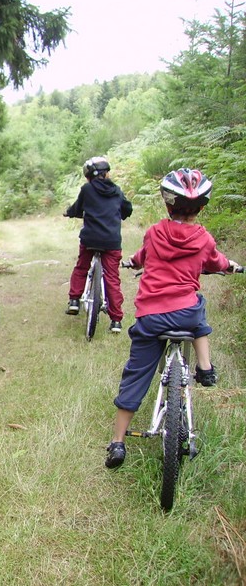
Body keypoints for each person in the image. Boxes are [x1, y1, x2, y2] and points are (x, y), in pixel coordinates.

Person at [105, 169, 240, 469]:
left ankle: (117, 442)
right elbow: (216, 262)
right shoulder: (203, 238)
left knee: (135, 375)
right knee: (198, 306)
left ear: (168, 205)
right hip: (186, 315)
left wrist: (134, 262)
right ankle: (205, 368)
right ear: (202, 207)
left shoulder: (154, 232)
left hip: (151, 317)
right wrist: (229, 266)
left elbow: (143, 255)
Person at [65, 156, 133, 333]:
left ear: (87, 176)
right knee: (112, 278)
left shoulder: (87, 189)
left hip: (90, 239)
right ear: (107, 174)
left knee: (82, 267)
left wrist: (69, 213)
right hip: (111, 241)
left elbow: (77, 208)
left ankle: (74, 301)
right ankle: (116, 320)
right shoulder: (116, 190)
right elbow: (127, 209)